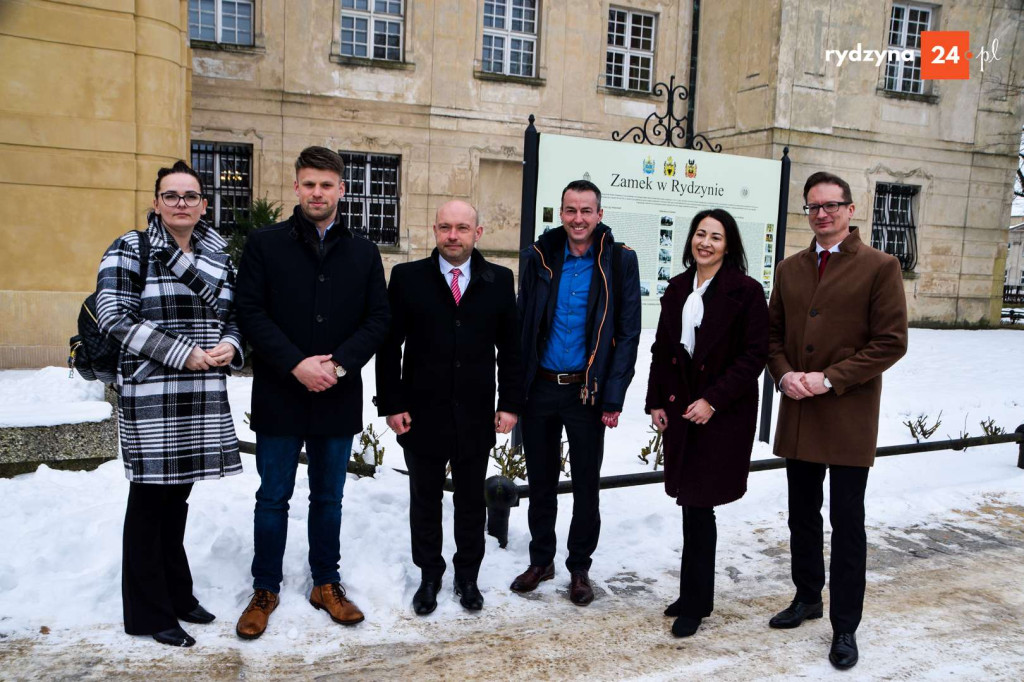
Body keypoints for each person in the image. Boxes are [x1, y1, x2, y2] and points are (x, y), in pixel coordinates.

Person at [233, 146, 390, 639]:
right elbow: (250, 312)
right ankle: (265, 588)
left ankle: (327, 583)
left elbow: (378, 319)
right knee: (273, 496)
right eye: (308, 184)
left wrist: (338, 365)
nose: (317, 193)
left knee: (329, 497)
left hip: (337, 395)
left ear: (341, 189)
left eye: (326, 184)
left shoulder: (363, 250)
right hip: (281, 392)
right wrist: (297, 364)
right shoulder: (265, 244)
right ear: (296, 187)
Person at [96, 160, 244, 648]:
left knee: (176, 499)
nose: (181, 203)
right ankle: (147, 612)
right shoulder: (130, 248)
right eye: (171, 195)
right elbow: (112, 316)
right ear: (156, 202)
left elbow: (236, 314)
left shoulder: (218, 253)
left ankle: (177, 595)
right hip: (153, 391)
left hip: (201, 392)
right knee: (148, 501)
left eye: (191, 195)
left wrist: (231, 346)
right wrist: (183, 353)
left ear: (204, 204)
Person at [767, 171, 908, 669]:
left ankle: (845, 626)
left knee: (848, 523)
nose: (821, 213)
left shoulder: (880, 266)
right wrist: (784, 376)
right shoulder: (790, 268)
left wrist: (829, 378)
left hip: (847, 412)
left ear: (850, 210)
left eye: (831, 205)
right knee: (802, 515)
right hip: (800, 413)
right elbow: (773, 336)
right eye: (813, 207)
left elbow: (891, 342)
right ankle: (808, 596)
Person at [376, 200, 523, 615]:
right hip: (420, 414)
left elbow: (511, 349)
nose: (452, 236)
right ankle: (429, 575)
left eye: (461, 228)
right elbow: (389, 348)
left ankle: (467, 575)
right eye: (445, 227)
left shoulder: (498, 279)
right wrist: (392, 403)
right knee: (424, 498)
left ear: (478, 233)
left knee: (471, 502)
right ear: (435, 230)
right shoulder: (407, 278)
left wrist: (510, 404)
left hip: (475, 415)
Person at [512, 179, 641, 605]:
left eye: (587, 211)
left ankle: (579, 568)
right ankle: (541, 559)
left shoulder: (619, 261)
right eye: (571, 210)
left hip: (586, 391)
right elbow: (523, 324)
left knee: (586, 484)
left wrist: (613, 397)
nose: (578, 219)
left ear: (599, 215)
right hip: (542, 389)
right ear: (561, 213)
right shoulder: (539, 257)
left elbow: (627, 333)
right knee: (541, 481)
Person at [645, 209, 768, 638]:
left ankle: (695, 603)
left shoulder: (747, 291)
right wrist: (655, 401)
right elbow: (662, 348)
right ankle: (694, 594)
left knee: (700, 505)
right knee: (690, 504)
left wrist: (713, 401)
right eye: (700, 234)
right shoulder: (679, 287)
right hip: (681, 409)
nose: (706, 243)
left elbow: (754, 355)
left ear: (728, 245)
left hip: (721, 414)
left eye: (716, 237)